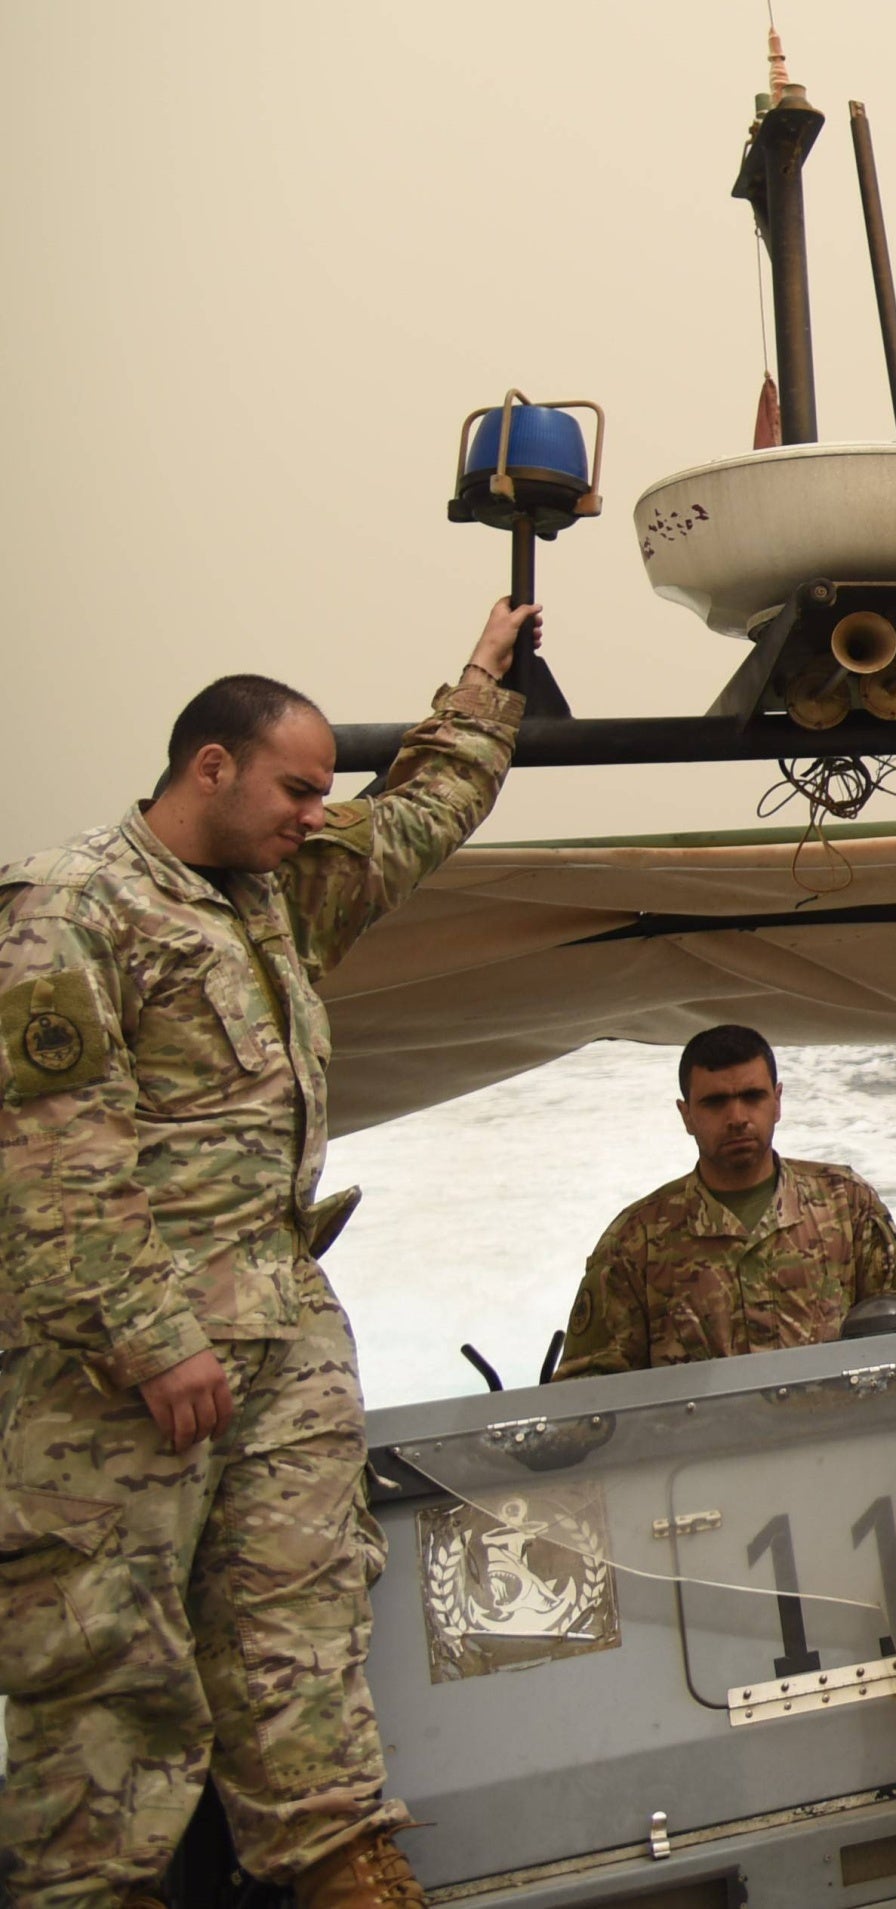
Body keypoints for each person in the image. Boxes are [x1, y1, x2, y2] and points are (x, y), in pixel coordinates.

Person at [0, 600, 533, 1909]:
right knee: (105, 1653)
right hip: (121, 1365)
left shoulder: (281, 893)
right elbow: (52, 1150)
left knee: (299, 1613)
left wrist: (483, 685)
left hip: (281, 1324)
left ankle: (341, 1860)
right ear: (211, 766)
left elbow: (417, 818)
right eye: (297, 788)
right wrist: (151, 1337)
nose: (317, 811)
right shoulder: (72, 905)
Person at [550, 1027, 896, 1379]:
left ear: (777, 1102)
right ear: (686, 1115)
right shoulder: (637, 1240)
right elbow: (589, 1389)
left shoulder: (846, 1203)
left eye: (752, 1097)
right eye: (715, 1103)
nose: (737, 1118)